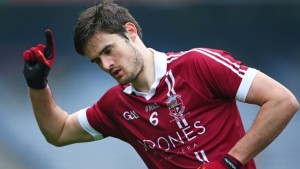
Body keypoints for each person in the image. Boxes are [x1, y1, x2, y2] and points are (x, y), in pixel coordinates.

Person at [22, 1, 299, 169]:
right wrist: (38, 86)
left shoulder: (199, 64)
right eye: (96, 61)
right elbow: (57, 132)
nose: (106, 65)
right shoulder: (115, 106)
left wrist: (229, 161)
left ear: (130, 32)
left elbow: (283, 101)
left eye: (108, 50)